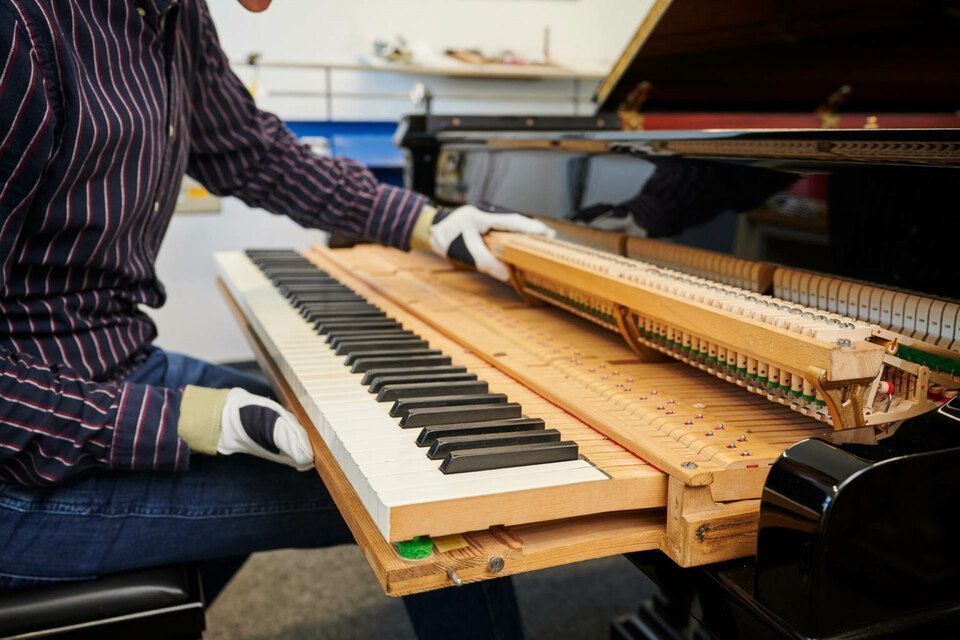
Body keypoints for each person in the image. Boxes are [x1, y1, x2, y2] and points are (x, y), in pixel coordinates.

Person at [0, 0, 553, 637]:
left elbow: (250, 152)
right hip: (26, 461)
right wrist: (182, 420)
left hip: (111, 366)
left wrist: (425, 222)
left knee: (399, 447)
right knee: (437, 495)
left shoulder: (171, 12)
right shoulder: (21, 28)